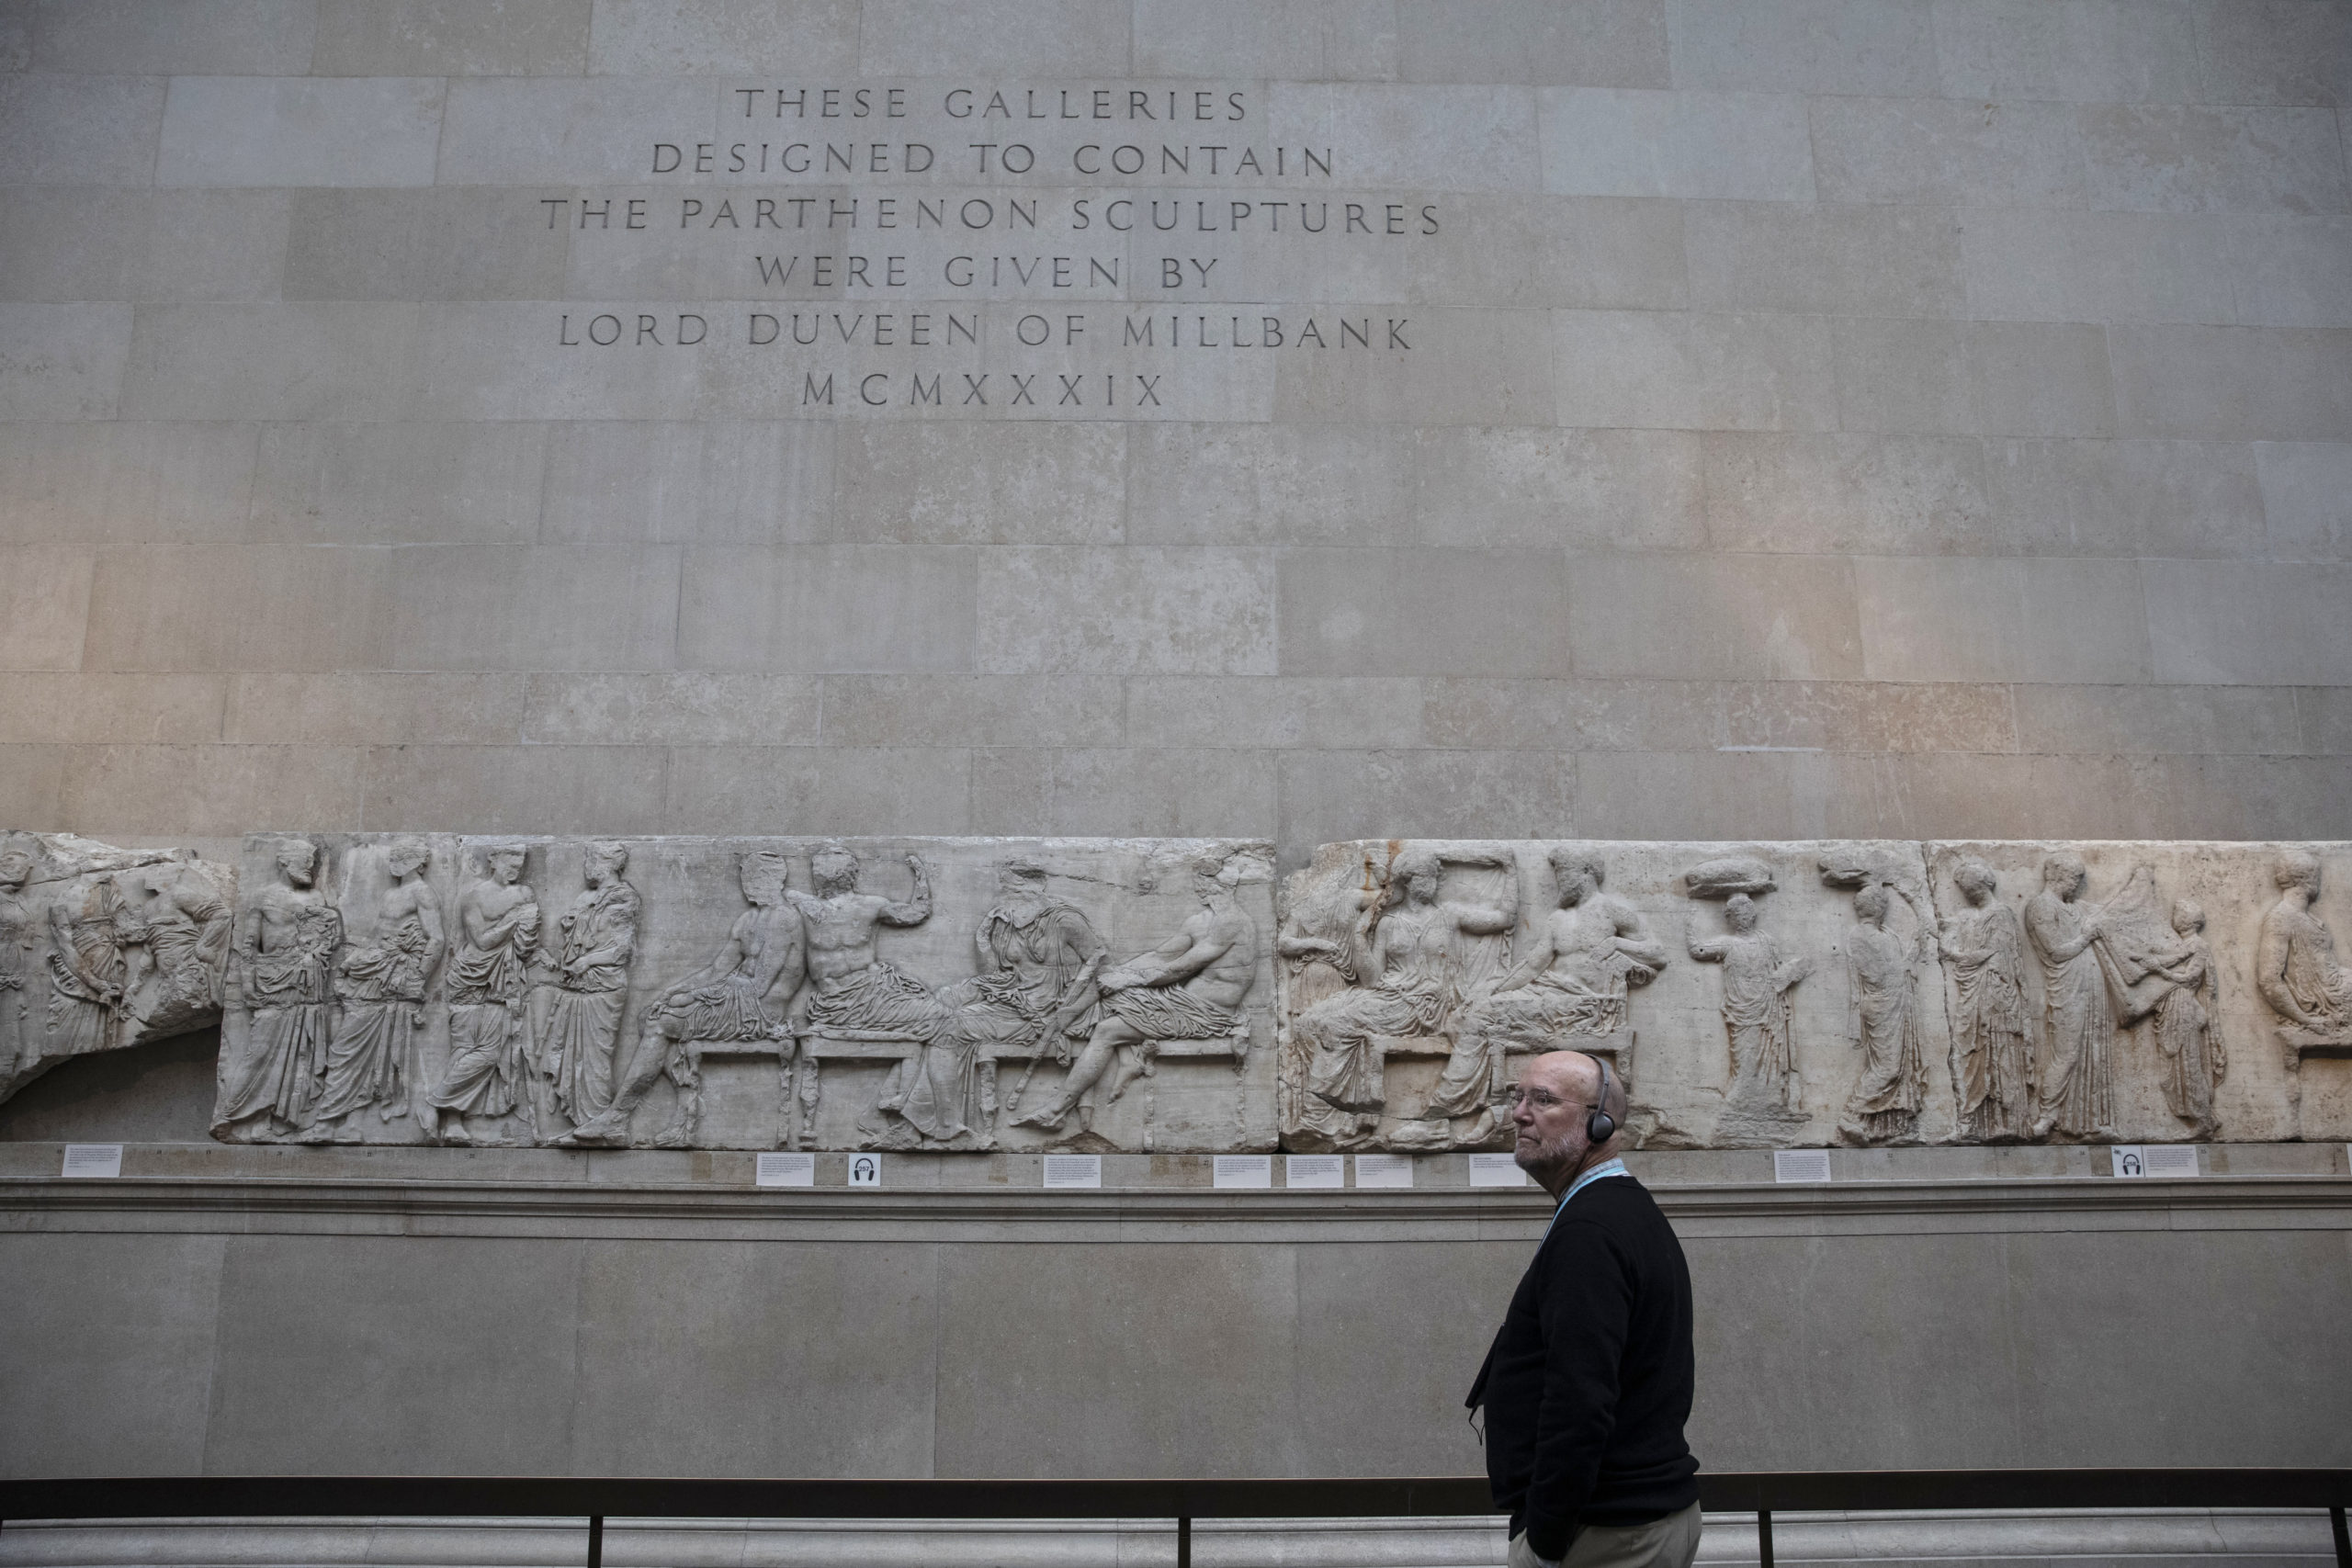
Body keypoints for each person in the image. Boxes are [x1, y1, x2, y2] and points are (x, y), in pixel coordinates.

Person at [1467, 1050, 1701, 1568]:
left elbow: (1579, 1397)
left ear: (1599, 1122)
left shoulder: (1591, 1233)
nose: (1520, 1113)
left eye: (1544, 1100)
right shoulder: (1613, 1210)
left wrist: (1546, 1539)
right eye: (1518, 1096)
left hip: (1606, 1531)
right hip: (1623, 1520)